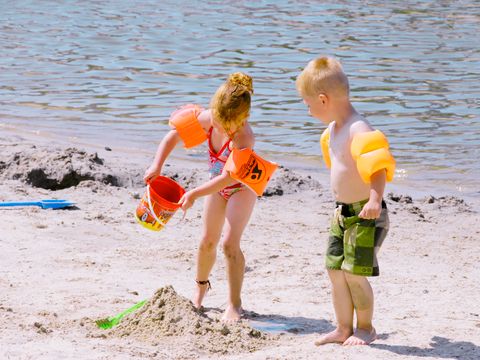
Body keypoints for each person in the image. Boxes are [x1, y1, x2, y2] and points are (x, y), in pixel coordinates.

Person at [296, 56, 395, 345]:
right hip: (341, 213)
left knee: (354, 274)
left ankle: (365, 328)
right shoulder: (332, 131)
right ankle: (342, 327)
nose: (308, 109)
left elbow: (377, 168)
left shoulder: (358, 129)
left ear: (323, 99)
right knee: (334, 269)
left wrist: (375, 200)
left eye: (308, 103)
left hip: (366, 212)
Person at [144, 72, 258, 322]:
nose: (217, 127)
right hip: (216, 188)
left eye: (224, 125)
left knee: (229, 243)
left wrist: (194, 193)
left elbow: (231, 177)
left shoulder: (244, 137)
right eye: (215, 120)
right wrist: (156, 166)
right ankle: (201, 287)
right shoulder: (210, 117)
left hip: (240, 189)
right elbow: (174, 136)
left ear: (242, 119)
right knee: (207, 240)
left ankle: (234, 304)